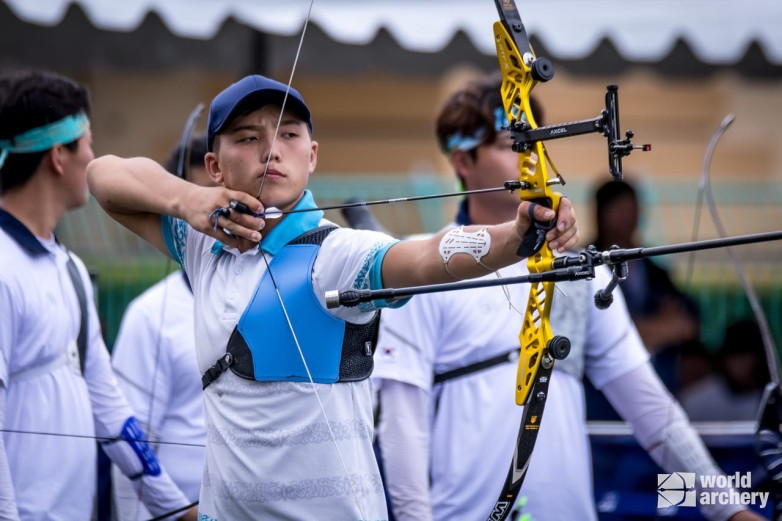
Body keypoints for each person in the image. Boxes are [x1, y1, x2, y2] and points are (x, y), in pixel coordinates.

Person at [85, 73, 579, 520]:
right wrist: (188, 200)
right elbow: (102, 176)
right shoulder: (202, 245)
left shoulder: (337, 254)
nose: (270, 150)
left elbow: (425, 257)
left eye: (288, 134)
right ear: (213, 165)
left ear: (313, 155)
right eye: (247, 138)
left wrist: (515, 238)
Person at [370, 74, 765, 521]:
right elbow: (404, 423)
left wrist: (729, 509)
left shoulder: (579, 270)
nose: (528, 156)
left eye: (533, 141)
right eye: (508, 143)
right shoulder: (420, 266)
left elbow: (653, 411)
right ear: (463, 159)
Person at [0, 70, 197, 520]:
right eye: (87, 142)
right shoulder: (3, 266)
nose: (93, 157)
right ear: (57, 156)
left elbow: (110, 411)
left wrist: (181, 511)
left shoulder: (67, 268)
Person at [110, 132, 213, 520]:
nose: (213, 213)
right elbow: (130, 442)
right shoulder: (150, 314)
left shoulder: (262, 299)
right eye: (197, 201)